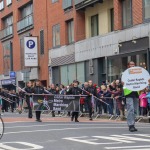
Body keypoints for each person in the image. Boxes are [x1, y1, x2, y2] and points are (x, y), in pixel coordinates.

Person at [123, 61, 139, 132]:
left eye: (133, 64)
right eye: (131, 64)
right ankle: (130, 125)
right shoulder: (125, 73)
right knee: (130, 109)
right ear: (128, 66)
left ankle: (133, 124)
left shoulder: (137, 74)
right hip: (128, 93)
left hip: (136, 94)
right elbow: (121, 84)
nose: (132, 65)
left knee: (135, 110)